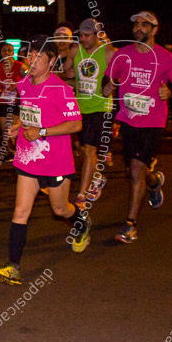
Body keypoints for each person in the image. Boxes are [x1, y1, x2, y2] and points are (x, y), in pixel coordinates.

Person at [0, 34, 86, 287]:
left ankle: (81, 221)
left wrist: (42, 131)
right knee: (20, 211)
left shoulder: (60, 89)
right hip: (27, 157)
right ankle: (13, 267)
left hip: (55, 161)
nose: (31, 60)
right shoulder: (24, 85)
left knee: (60, 209)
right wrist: (17, 126)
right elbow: (27, 115)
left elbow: (76, 124)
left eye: (38, 56)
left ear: (51, 61)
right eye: (29, 55)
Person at [105, 11, 172, 244]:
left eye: (144, 25)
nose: (138, 28)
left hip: (153, 121)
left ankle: (130, 225)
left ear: (154, 29)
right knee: (133, 170)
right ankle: (155, 182)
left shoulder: (166, 57)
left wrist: (171, 92)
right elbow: (109, 77)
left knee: (136, 169)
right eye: (136, 24)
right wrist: (107, 85)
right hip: (128, 119)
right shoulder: (123, 55)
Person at [70, 18, 116, 210]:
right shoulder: (75, 51)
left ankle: (81, 196)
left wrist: (112, 84)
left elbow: (122, 74)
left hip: (101, 108)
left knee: (89, 150)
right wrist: (67, 77)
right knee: (82, 151)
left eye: (87, 35)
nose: (83, 38)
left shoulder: (108, 53)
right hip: (80, 107)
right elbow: (67, 75)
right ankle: (97, 178)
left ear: (98, 36)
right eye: (80, 35)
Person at [0, 42, 26, 135]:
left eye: (9, 50)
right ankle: (11, 148)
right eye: (4, 51)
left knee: (12, 130)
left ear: (13, 53)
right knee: (4, 130)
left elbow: (31, 80)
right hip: (3, 101)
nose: (7, 53)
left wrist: (18, 85)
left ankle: (16, 147)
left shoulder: (20, 66)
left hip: (16, 101)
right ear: (1, 53)